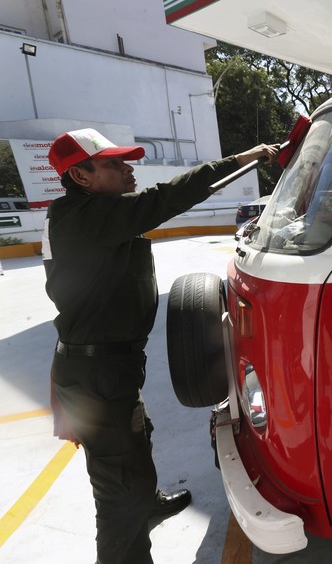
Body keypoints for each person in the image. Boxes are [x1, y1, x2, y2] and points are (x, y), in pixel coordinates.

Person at [43, 128, 277, 564]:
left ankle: (146, 500)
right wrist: (242, 158)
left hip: (103, 366)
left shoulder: (82, 213)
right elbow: (165, 198)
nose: (128, 169)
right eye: (114, 164)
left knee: (136, 437)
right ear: (81, 176)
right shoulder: (87, 217)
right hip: (98, 372)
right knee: (118, 491)